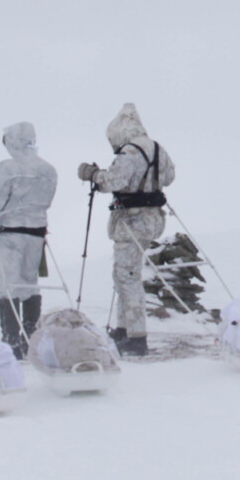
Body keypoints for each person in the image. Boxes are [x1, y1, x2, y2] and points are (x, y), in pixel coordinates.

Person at [78, 103, 175, 356]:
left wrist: (93, 174)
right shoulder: (157, 148)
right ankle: (124, 329)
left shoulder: (130, 152)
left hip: (132, 221)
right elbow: (169, 176)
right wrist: (146, 183)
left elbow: (113, 181)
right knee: (125, 273)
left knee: (127, 277)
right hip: (152, 218)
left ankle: (136, 337)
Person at [0, 122, 57, 359]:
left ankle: (12, 340)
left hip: (10, 232)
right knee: (29, 283)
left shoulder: (6, 168)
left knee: (6, 285)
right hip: (36, 235)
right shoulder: (48, 170)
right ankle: (31, 337)